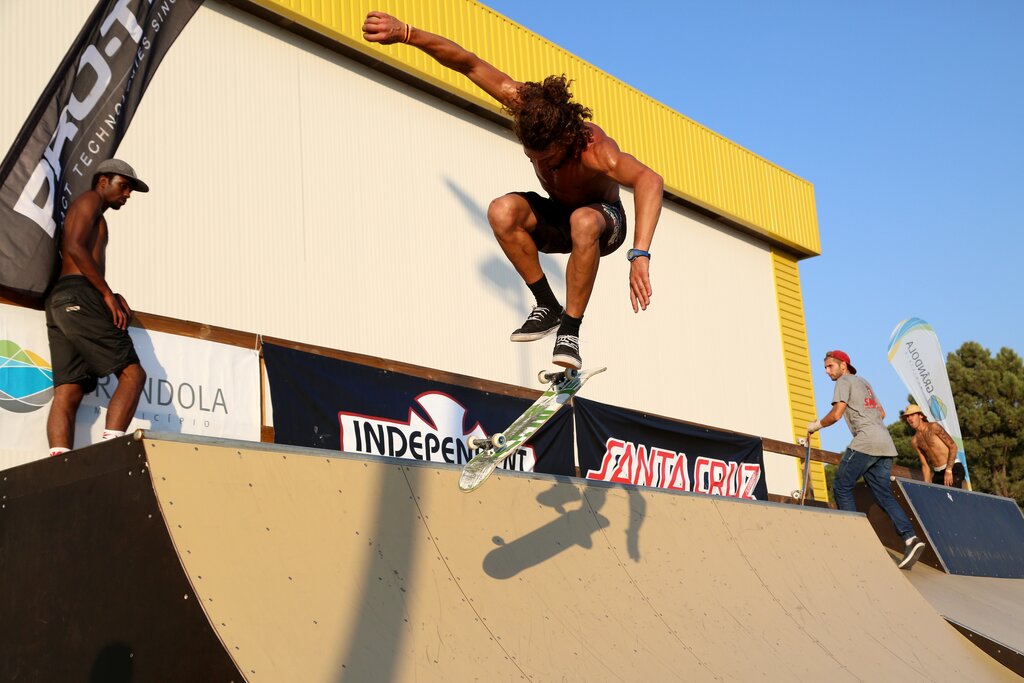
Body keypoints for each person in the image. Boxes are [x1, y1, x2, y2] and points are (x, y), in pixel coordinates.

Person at [362, 12, 664, 369]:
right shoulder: (527, 105)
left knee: (584, 219)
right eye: (531, 154)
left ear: (565, 140)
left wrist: (639, 254)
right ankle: (546, 305)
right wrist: (408, 33)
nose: (539, 162)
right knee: (501, 210)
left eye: (547, 157)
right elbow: (469, 65)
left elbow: (650, 180)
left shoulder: (596, 150)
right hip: (558, 217)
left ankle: (570, 328)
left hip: (604, 225)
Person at [44, 158, 148, 457]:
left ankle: (58, 462)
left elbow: (80, 255)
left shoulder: (97, 214)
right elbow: (74, 246)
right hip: (79, 295)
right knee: (133, 375)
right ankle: (110, 452)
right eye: (124, 186)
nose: (127, 194)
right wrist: (105, 295)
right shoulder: (89, 200)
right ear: (103, 181)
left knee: (70, 389)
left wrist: (109, 291)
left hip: (64, 299)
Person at [807, 350, 926, 570]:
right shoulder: (865, 382)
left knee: (841, 486)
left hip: (866, 442)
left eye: (830, 366)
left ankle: (855, 540)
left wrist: (815, 426)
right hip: (885, 444)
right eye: (825, 368)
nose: (826, 372)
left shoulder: (844, 381)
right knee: (883, 494)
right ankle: (910, 538)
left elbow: (836, 414)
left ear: (844, 365)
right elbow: (881, 412)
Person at [900, 404, 965, 488]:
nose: (910, 418)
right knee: (935, 499)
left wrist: (949, 470)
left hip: (953, 468)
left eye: (912, 415)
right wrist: (926, 485)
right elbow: (925, 465)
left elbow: (953, 446)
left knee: (952, 498)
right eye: (907, 416)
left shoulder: (934, 427)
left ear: (920, 416)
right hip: (938, 473)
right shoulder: (915, 441)